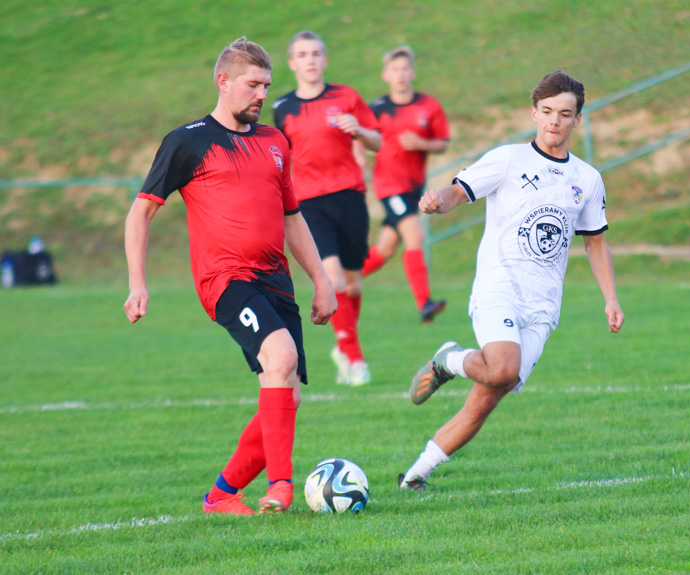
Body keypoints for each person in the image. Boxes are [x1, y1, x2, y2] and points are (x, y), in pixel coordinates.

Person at [124, 37, 337, 515]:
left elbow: (292, 217)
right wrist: (138, 283)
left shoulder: (274, 140)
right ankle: (281, 487)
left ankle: (220, 495)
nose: (262, 93)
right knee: (279, 357)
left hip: (276, 279)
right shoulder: (188, 140)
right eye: (252, 84)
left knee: (287, 396)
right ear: (223, 82)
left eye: (266, 84)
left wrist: (321, 281)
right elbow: (140, 213)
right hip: (224, 278)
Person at [398, 70, 625, 490]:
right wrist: (438, 202)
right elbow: (459, 189)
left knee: (489, 394)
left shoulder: (587, 180)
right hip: (498, 286)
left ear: (578, 120)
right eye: (547, 112)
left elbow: (595, 244)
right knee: (502, 367)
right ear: (534, 114)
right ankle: (449, 360)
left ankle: (416, 473)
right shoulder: (508, 159)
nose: (554, 121)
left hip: (544, 306)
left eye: (564, 113)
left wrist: (610, 299)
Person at [272, 31, 381, 387]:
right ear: (292, 63)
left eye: (316, 53)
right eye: (303, 54)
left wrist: (361, 131)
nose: (310, 60)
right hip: (308, 203)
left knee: (353, 280)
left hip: (349, 196)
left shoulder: (346, 97)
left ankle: (345, 343)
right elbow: (278, 157)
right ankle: (354, 356)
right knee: (332, 279)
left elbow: (378, 141)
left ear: (325, 59)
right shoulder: (282, 108)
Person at [361, 45, 450, 324]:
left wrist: (421, 143)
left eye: (404, 69)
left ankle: (336, 279)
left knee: (385, 249)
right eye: (395, 70)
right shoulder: (376, 109)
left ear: (412, 72)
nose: (400, 75)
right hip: (389, 185)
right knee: (416, 236)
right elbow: (359, 138)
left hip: (413, 188)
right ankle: (425, 303)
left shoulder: (429, 106)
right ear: (386, 75)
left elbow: (442, 143)